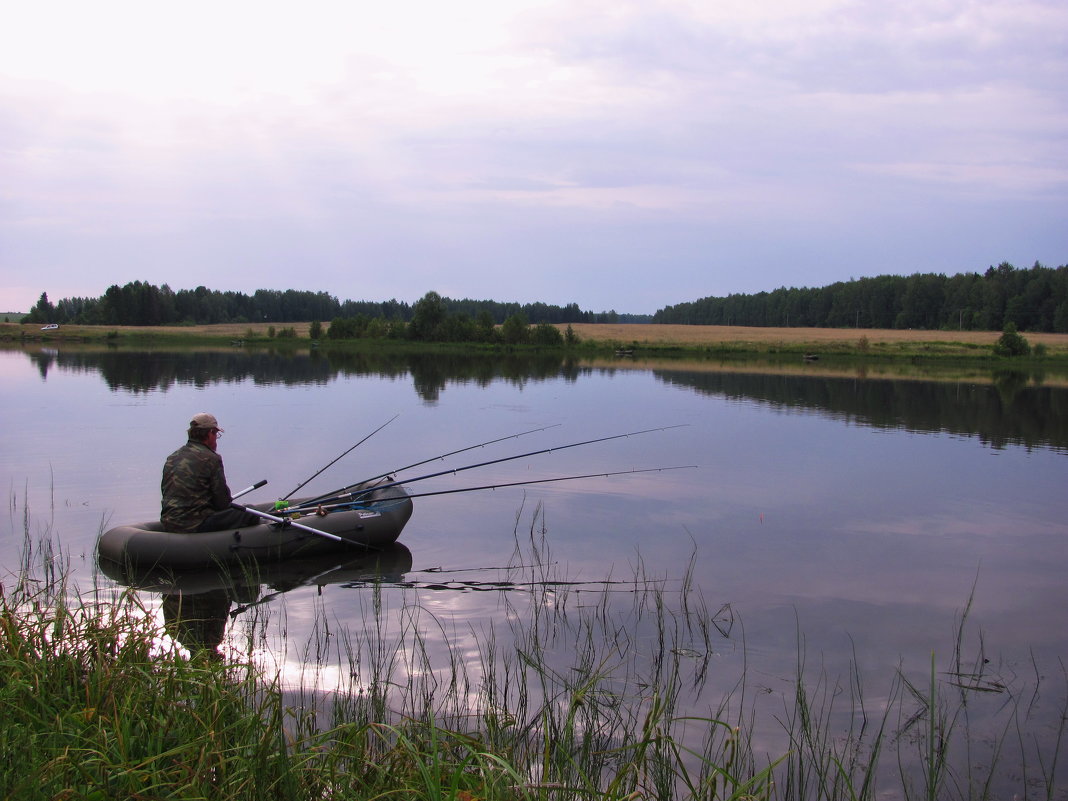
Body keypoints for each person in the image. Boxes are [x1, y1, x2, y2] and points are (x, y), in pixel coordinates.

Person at [161, 412, 258, 533]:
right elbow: (222, 502)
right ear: (210, 433)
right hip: (196, 523)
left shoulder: (172, 457)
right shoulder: (211, 458)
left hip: (168, 521)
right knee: (250, 512)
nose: (216, 440)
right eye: (216, 434)